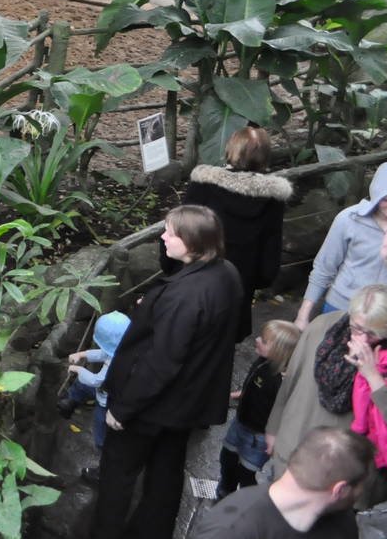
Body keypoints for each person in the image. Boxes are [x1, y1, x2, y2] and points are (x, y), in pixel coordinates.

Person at [89, 205, 245, 539]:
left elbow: (161, 362)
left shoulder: (185, 297)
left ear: (191, 242)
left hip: (151, 407)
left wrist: (122, 409)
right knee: (166, 472)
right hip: (185, 405)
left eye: (170, 233)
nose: (163, 236)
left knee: (118, 474)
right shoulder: (226, 273)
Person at [266, 283, 387, 507]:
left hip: (348, 480)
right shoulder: (321, 327)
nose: (361, 339)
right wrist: (273, 427)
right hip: (295, 455)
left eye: (371, 333)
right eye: (356, 328)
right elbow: (290, 381)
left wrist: (374, 379)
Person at [294, 162, 387, 327]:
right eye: (386, 200)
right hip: (340, 309)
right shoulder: (349, 219)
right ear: (375, 195)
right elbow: (324, 268)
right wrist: (303, 316)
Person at [187, 125, 293, 339]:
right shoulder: (273, 198)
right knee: (224, 344)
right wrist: (262, 279)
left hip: (196, 281)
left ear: (232, 149)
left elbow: (182, 228)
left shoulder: (203, 185)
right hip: (240, 285)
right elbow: (271, 245)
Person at [191, 427, 373, 538]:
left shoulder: (342, 520)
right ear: (340, 489)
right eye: (360, 485)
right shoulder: (230, 530)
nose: (362, 491)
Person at [218, 319, 301, 498]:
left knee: (246, 472)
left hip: (259, 436)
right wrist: (240, 394)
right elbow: (253, 382)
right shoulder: (262, 362)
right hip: (241, 423)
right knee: (227, 457)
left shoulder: (280, 382)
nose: (257, 340)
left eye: (263, 340)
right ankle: (226, 490)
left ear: (278, 351)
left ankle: (249, 502)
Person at [57, 310, 130, 449]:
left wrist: (78, 370)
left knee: (100, 430)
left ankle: (103, 458)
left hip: (109, 401)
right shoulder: (121, 349)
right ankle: (70, 402)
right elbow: (103, 353)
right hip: (104, 391)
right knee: (80, 385)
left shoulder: (117, 362)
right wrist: (82, 354)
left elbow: (97, 380)